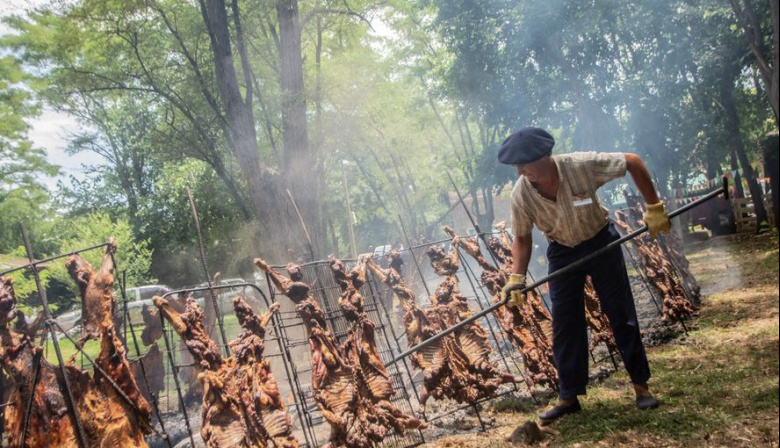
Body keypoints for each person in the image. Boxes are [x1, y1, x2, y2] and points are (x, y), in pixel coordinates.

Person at [497, 127, 667, 425]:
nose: (522, 171)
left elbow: (633, 162)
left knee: (620, 314)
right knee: (565, 323)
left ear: (547, 156)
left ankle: (641, 386)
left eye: (526, 164)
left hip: (601, 240)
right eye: (517, 167)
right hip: (562, 251)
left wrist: (654, 206)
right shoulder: (521, 193)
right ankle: (569, 396)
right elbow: (522, 237)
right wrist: (516, 277)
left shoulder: (581, 165)